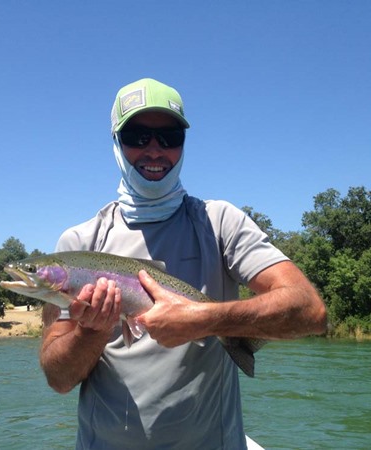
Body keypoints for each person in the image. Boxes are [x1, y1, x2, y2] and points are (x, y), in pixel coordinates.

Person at [40, 78, 327, 449]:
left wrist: (204, 319)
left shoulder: (220, 223)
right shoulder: (77, 244)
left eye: (170, 136)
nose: (155, 151)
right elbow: (58, 379)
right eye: (138, 136)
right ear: (116, 142)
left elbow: (310, 310)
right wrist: (91, 331)